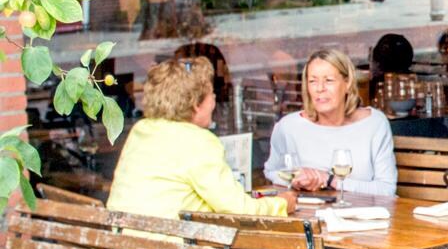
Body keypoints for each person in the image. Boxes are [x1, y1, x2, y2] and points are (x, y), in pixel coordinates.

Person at [108, 56, 296, 219]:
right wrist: (281, 204)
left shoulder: (142, 130)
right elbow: (238, 210)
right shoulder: (198, 141)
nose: (214, 100)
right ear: (195, 105)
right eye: (211, 95)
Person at [265, 49, 397, 196]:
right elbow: (272, 172)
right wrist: (297, 180)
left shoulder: (374, 124)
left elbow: (386, 189)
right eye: (313, 81)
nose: (320, 89)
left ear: (347, 84)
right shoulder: (288, 127)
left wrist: (330, 180)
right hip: (308, 214)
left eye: (328, 80)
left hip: (361, 214)